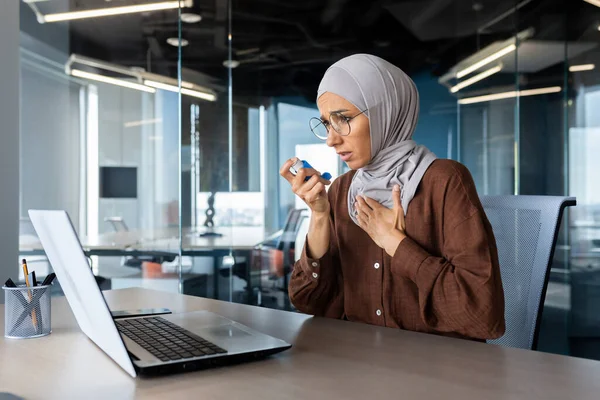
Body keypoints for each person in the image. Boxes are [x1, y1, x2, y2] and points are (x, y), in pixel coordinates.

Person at [279, 54, 505, 341]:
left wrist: (397, 244)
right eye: (326, 124)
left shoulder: (444, 181)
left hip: (439, 374)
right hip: (359, 368)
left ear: (385, 112)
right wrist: (320, 216)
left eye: (344, 120)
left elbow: (482, 316)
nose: (332, 139)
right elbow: (307, 302)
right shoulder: (341, 190)